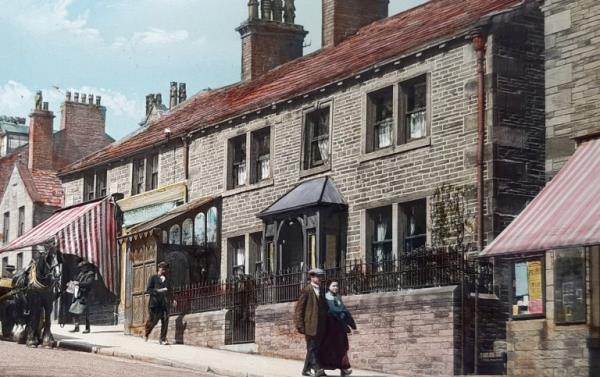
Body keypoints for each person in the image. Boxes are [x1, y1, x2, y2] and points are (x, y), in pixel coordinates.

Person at [294, 268, 328, 377]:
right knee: (312, 348)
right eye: (318, 277)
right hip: (310, 325)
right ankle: (318, 369)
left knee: (313, 348)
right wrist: (300, 325)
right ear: (312, 277)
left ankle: (305, 370)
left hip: (320, 326)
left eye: (321, 277)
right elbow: (299, 309)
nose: (320, 279)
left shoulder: (322, 290)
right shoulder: (307, 290)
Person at [318, 281, 356, 377]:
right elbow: (332, 310)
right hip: (329, 327)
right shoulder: (325, 297)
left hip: (339, 327)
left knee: (342, 348)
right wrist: (342, 311)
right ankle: (320, 369)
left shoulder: (338, 297)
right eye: (333, 285)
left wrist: (351, 323)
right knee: (327, 348)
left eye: (337, 286)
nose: (336, 287)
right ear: (328, 286)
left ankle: (344, 369)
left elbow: (344, 310)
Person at [144, 261, 173, 345]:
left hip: (164, 304)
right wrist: (159, 291)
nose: (164, 270)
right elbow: (148, 290)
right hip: (154, 304)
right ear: (159, 268)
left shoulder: (166, 279)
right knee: (153, 321)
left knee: (165, 319)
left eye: (165, 269)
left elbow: (170, 290)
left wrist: (173, 299)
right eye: (162, 269)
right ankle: (146, 333)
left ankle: (162, 339)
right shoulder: (153, 278)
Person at [69, 260, 96, 334]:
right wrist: (72, 283)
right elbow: (77, 281)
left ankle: (87, 328)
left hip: (85, 295)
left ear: (86, 267)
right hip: (78, 295)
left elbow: (89, 283)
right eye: (81, 267)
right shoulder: (80, 274)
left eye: (83, 267)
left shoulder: (90, 274)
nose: (82, 269)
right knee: (73, 310)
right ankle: (76, 327)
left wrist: (78, 283)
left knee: (86, 312)